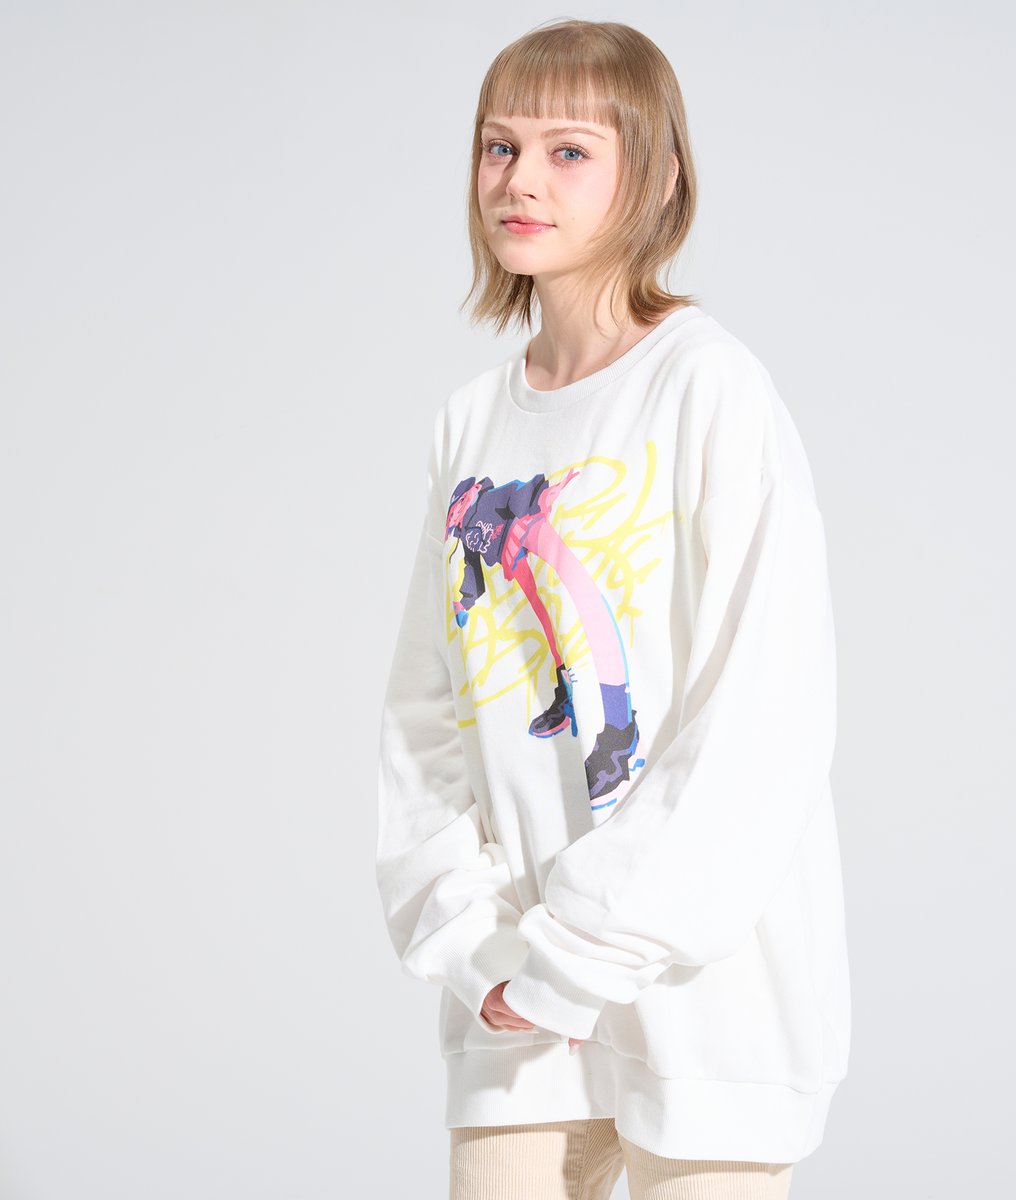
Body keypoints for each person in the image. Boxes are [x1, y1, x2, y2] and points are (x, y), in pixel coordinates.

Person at [376, 18, 851, 1199]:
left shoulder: (709, 388)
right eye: (499, 146)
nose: (520, 180)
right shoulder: (470, 424)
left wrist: (579, 953)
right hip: (509, 1017)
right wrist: (474, 943)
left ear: (659, 175)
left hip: (706, 1019)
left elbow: (761, 720)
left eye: (569, 151)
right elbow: (426, 725)